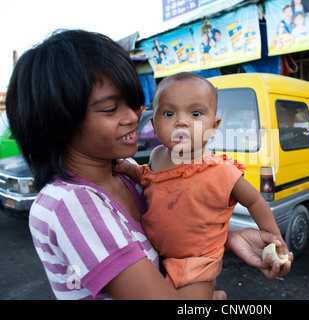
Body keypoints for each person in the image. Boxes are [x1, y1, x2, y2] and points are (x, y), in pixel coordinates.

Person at [6, 29, 292, 300]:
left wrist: (225, 239)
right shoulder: (70, 203)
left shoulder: (126, 171)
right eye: (110, 108)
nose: (132, 117)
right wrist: (206, 290)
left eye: (133, 104)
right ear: (58, 121)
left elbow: (174, 224)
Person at [115, 72, 291, 289]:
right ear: (154, 123)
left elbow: (254, 201)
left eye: (195, 113)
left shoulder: (221, 170)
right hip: (157, 256)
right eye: (168, 113)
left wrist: (273, 235)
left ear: (214, 126)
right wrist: (125, 168)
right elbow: (146, 176)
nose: (181, 122)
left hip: (198, 264)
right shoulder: (157, 156)